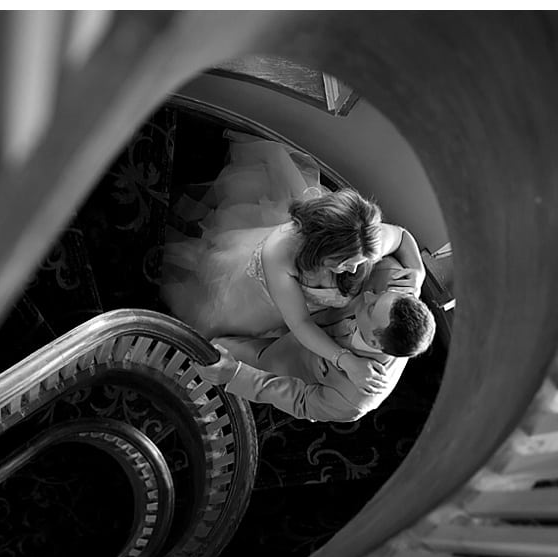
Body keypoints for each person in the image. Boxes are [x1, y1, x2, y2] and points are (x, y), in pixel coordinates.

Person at [161, 130, 426, 394]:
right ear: (320, 248)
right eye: (343, 262)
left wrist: (418, 270)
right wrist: (346, 361)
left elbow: (402, 237)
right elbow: (300, 323)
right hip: (258, 294)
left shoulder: (364, 239)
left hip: (303, 297)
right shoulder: (279, 252)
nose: (355, 270)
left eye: (360, 262)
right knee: (215, 315)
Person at [193, 257, 436, 423]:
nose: (370, 295)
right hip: (292, 302)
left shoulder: (353, 400)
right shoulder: (396, 284)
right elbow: (398, 236)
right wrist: (418, 267)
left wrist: (234, 375)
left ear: (375, 342)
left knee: (211, 347)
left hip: (281, 358)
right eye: (380, 295)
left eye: (371, 309)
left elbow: (301, 402)